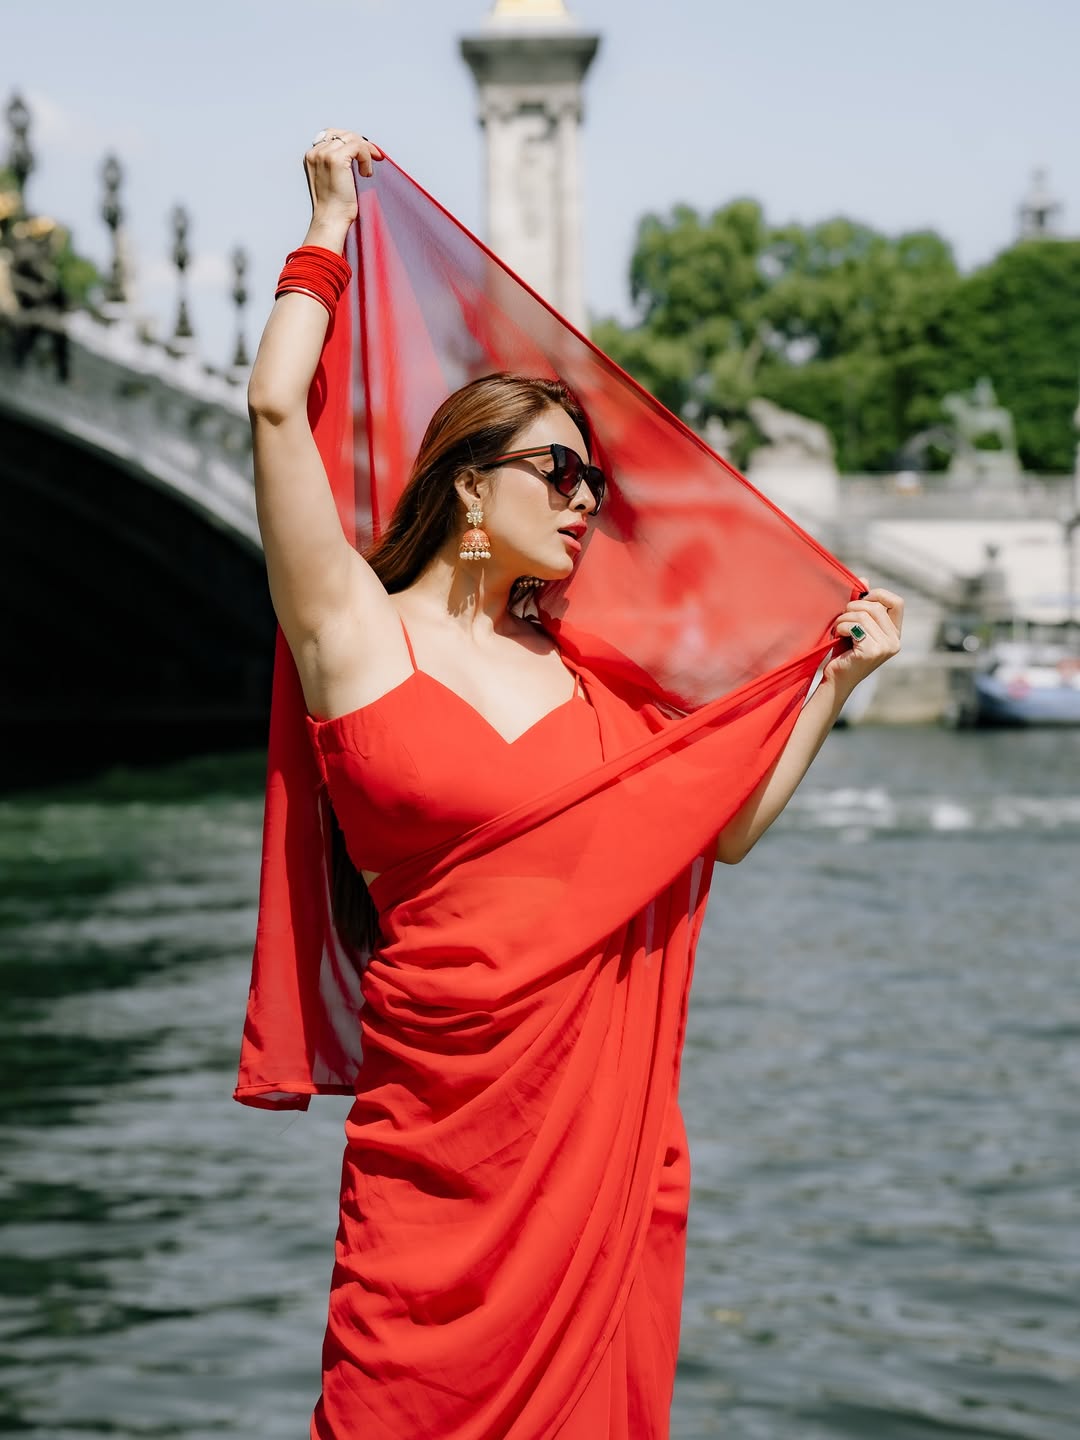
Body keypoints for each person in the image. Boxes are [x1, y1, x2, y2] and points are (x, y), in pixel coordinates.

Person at [241, 130, 903, 1439]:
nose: (585, 500)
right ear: (468, 487)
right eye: (558, 472)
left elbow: (722, 831)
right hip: (433, 1157)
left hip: (587, 1165)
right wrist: (324, 234)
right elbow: (273, 412)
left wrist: (834, 684)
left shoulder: (594, 684)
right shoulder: (354, 634)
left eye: (595, 481)